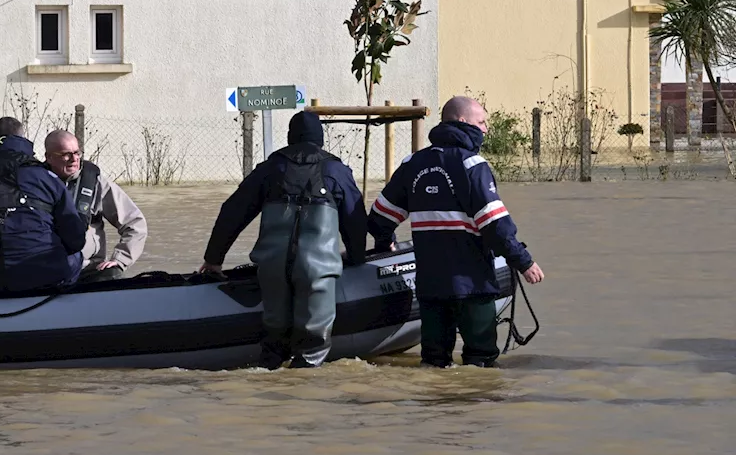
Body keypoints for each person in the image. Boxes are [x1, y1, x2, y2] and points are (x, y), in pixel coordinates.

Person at [368, 96, 545, 368]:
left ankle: (437, 409)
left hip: (430, 287)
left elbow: (380, 217)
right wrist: (524, 262)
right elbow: (495, 226)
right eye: (481, 122)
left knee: (433, 364)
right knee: (481, 365)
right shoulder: (473, 166)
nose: (486, 129)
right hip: (472, 286)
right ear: (462, 122)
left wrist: (385, 242)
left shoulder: (412, 164)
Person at [200, 111, 366, 369]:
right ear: (320, 138)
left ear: (290, 137)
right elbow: (355, 219)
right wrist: (356, 257)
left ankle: (271, 392)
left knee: (273, 341)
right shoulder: (336, 171)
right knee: (313, 344)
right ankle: (303, 397)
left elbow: (232, 211)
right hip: (317, 271)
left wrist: (213, 259)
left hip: (272, 269)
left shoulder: (270, 169)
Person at [0, 117, 88, 291]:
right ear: (22, 138)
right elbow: (75, 239)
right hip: (45, 276)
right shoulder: (48, 179)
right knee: (76, 257)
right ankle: (64, 304)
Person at [42, 129, 148, 283]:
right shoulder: (34, 183)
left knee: (113, 277)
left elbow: (135, 223)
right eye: (66, 154)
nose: (74, 159)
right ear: (49, 157)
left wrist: (120, 260)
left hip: (88, 271)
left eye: (77, 153)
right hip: (46, 271)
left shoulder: (95, 183)